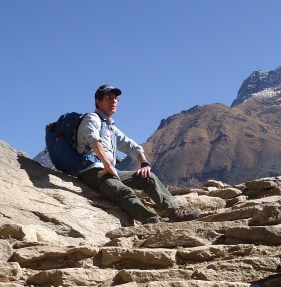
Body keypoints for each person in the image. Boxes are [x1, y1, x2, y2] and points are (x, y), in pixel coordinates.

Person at [75, 85, 202, 224]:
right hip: (92, 171)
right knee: (124, 191)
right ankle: (152, 221)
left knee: (148, 177)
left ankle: (175, 213)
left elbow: (130, 145)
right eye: (108, 97)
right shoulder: (92, 118)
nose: (113, 101)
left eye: (116, 98)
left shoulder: (110, 126)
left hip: (109, 170)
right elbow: (94, 140)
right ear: (98, 102)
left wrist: (144, 162)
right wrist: (107, 164)